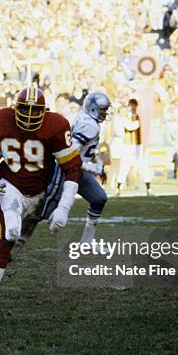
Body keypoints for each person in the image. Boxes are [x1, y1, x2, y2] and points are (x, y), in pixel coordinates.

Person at [0, 86, 82, 314]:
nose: (28, 116)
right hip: (10, 186)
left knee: (8, 254)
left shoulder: (56, 125)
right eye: (24, 109)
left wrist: (63, 208)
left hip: (39, 194)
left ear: (44, 111)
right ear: (15, 108)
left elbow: (72, 169)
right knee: (10, 233)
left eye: (34, 111)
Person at [70, 91, 111, 244]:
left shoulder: (85, 118)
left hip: (78, 169)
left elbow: (87, 150)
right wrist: (95, 169)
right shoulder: (90, 125)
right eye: (103, 109)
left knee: (99, 198)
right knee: (45, 211)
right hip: (67, 171)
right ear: (94, 108)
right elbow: (70, 156)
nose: (105, 113)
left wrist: (97, 163)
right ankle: (7, 236)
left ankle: (86, 241)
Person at [115, 99, 152, 196]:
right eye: (131, 105)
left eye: (134, 105)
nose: (133, 107)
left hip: (138, 145)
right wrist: (141, 122)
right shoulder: (125, 117)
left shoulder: (139, 117)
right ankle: (118, 188)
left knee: (143, 165)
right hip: (127, 145)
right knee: (124, 166)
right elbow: (130, 126)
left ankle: (149, 187)